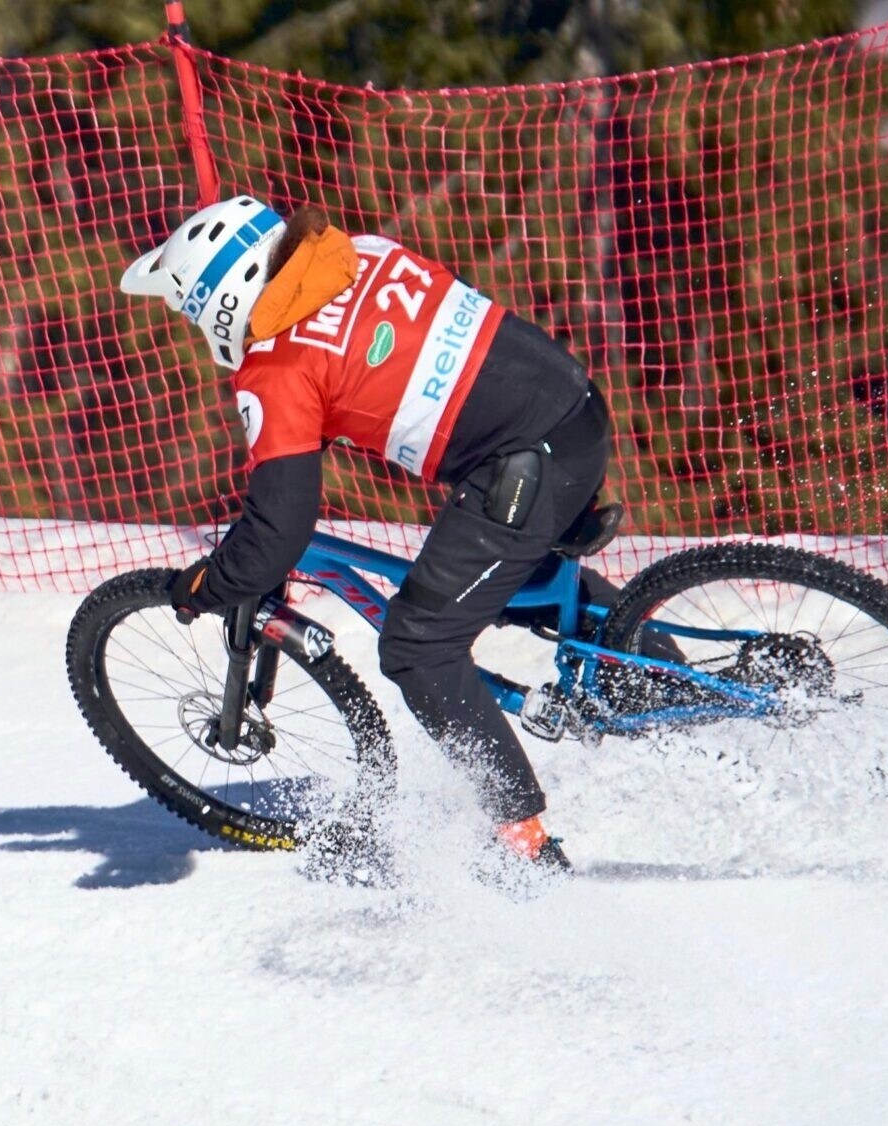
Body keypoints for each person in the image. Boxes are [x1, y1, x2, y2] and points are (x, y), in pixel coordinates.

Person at [120, 195, 627, 873]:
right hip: (572, 405)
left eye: (189, 309)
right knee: (502, 579)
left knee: (420, 644)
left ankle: (523, 842)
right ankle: (667, 675)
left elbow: (278, 531)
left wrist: (207, 585)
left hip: (525, 463)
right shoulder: (357, 253)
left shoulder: (277, 367)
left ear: (221, 300)